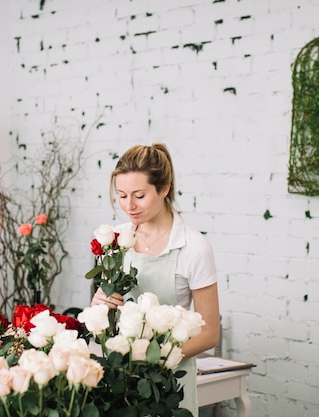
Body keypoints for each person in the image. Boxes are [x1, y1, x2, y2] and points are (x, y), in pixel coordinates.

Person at [90, 142, 220, 416]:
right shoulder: (115, 240)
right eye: (122, 195)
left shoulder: (193, 247)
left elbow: (209, 333)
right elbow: (105, 317)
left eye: (139, 195)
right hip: (120, 382)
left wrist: (152, 362)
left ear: (164, 188)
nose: (129, 206)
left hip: (169, 382)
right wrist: (99, 304)